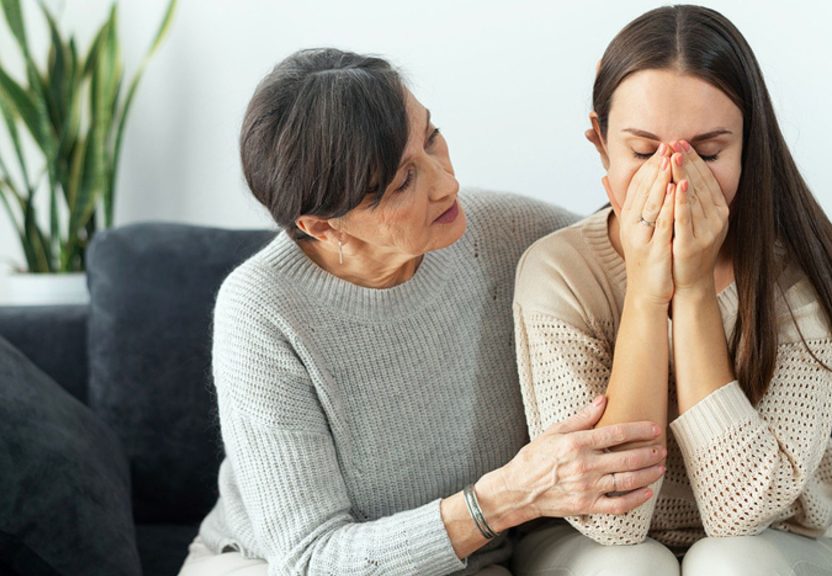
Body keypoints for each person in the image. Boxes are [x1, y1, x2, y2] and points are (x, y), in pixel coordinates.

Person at [178, 48, 670, 576]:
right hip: (268, 564)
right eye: (402, 182)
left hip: (480, 555)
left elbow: (636, 248)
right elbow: (310, 559)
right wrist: (505, 498)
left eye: (432, 137)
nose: (445, 182)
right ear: (323, 226)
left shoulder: (502, 232)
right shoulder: (261, 312)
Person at [511, 5, 832, 575]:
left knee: (729, 561)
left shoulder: (800, 280)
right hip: (586, 540)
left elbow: (743, 513)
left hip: (787, 539)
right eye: (642, 153)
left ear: (748, 145)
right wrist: (645, 291)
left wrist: (691, 293)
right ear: (600, 142)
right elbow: (612, 521)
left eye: (708, 154)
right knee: (626, 565)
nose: (676, 181)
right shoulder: (559, 271)